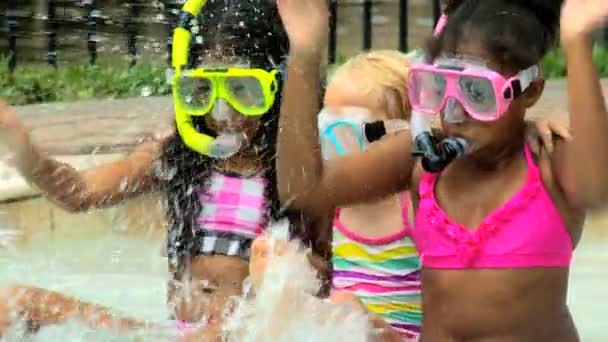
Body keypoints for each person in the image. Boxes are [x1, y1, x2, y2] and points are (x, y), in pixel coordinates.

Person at [276, 0, 608, 340]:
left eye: (477, 92)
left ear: (531, 91)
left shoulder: (549, 162)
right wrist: (304, 49)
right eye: (438, 87)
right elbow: (304, 188)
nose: (454, 112)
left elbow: (597, 187)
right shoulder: (423, 163)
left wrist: (578, 44)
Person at [0, 0, 329, 333]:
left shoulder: (300, 175)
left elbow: (330, 278)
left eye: (242, 90)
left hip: (246, 335)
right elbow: (78, 192)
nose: (222, 111)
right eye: (201, 91)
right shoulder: (175, 157)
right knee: (13, 305)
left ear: (279, 84)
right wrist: (22, 148)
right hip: (170, 334)